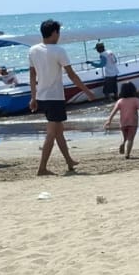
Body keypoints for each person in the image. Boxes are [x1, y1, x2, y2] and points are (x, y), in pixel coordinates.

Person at [29, 19, 95, 176]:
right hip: (55, 97)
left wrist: (33, 97)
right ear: (54, 33)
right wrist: (87, 91)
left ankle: (69, 161)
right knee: (52, 133)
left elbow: (32, 75)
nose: (59, 35)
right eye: (58, 32)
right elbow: (71, 75)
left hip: (42, 96)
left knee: (58, 131)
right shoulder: (59, 51)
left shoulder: (33, 50)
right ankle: (42, 168)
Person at [104, 81, 139, 158]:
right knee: (131, 139)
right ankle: (127, 154)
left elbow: (113, 111)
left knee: (125, 137)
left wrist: (109, 120)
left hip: (123, 123)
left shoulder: (120, 101)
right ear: (133, 90)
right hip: (133, 123)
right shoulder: (135, 100)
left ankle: (122, 143)